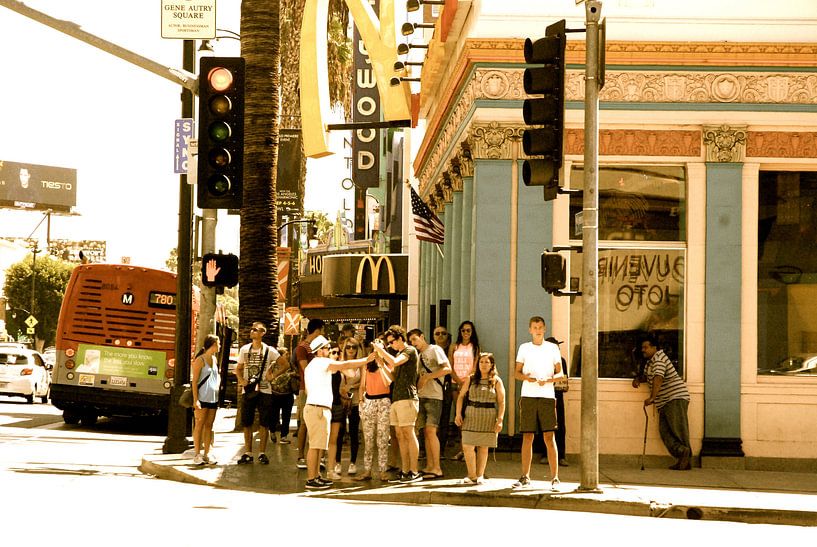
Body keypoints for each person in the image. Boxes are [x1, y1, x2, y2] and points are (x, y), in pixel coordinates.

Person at [303, 335, 372, 490]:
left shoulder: (313, 365)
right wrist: (367, 359)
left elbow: (348, 372)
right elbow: (346, 365)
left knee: (318, 445)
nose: (329, 350)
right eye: (327, 348)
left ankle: (316, 477)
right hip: (318, 408)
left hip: (317, 407)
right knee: (315, 446)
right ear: (319, 351)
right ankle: (311, 478)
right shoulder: (322, 362)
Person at [513, 316, 563, 490]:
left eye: (540, 327)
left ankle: (554, 478)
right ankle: (525, 476)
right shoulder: (524, 348)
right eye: (535, 327)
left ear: (545, 328)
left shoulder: (552, 348)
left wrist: (548, 380)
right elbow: (516, 373)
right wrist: (529, 378)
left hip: (547, 396)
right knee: (528, 436)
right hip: (528, 395)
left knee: (549, 436)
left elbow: (560, 373)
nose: (538, 330)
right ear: (530, 329)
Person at [371, 325, 423, 483]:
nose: (391, 345)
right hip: (397, 398)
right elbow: (393, 377)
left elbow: (394, 361)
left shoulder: (409, 351)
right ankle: (405, 470)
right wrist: (380, 363)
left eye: (392, 342)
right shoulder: (400, 353)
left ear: (401, 339)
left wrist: (380, 350)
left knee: (408, 432)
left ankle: (414, 471)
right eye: (389, 343)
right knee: (400, 435)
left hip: (407, 397)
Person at [632, 334, 692, 470]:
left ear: (654, 347)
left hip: (674, 398)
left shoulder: (658, 359)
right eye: (642, 348)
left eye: (646, 347)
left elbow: (658, 377)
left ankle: (685, 457)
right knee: (665, 431)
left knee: (677, 430)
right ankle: (682, 453)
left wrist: (652, 397)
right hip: (666, 401)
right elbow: (649, 376)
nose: (643, 350)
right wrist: (638, 380)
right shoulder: (651, 361)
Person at [235, 322, 289, 465]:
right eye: (252, 329)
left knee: (264, 422)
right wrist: (242, 380)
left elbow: (285, 364)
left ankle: (262, 453)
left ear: (262, 333)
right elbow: (238, 368)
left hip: (265, 390)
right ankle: (248, 452)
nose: (252, 331)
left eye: (256, 330)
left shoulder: (269, 350)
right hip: (249, 389)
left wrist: (273, 376)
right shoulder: (244, 349)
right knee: (247, 422)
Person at [455, 352, 505, 484]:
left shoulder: (496, 381)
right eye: (481, 362)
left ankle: (480, 475)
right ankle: (471, 475)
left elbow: (501, 402)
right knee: (467, 445)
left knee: (483, 447)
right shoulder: (471, 379)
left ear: (492, 364)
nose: (484, 365)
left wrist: (500, 420)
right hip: (471, 415)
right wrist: (458, 414)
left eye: (487, 362)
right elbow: (460, 397)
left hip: (488, 416)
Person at [407, 328, 451, 479]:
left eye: (415, 339)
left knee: (431, 431)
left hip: (434, 395)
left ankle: (437, 467)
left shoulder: (435, 349)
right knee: (425, 432)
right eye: (411, 341)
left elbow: (447, 369)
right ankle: (430, 465)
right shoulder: (418, 355)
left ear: (422, 336)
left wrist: (428, 377)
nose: (413, 343)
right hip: (422, 395)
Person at [354, 335, 394, 481]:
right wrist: (360, 402)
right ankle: (367, 470)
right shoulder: (367, 365)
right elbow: (362, 385)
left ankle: (383, 470)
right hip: (369, 401)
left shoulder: (389, 364)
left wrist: (381, 363)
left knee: (383, 438)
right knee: (368, 438)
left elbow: (389, 381)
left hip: (384, 401)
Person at [295, 319, 325, 469]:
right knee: (304, 424)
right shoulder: (302, 347)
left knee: (320, 423)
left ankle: (318, 457)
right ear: (318, 330)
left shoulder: (318, 347)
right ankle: (301, 455)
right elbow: (305, 369)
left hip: (319, 388)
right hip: (306, 388)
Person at [448, 321, 480, 460]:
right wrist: (459, 381)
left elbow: (475, 366)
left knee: (471, 417)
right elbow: (450, 365)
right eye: (463, 330)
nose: (465, 333)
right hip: (456, 384)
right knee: (459, 416)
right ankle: (462, 449)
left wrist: (466, 382)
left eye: (468, 330)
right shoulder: (454, 346)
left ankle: (472, 448)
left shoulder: (475, 347)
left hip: (470, 385)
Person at [335, 337, 363, 476]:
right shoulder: (339, 363)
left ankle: (353, 462)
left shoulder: (360, 364)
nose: (351, 350)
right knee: (338, 432)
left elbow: (364, 382)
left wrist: (351, 386)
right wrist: (341, 391)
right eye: (348, 347)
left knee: (353, 432)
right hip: (340, 400)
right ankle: (337, 462)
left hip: (355, 400)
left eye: (354, 347)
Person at [192, 334, 221, 466]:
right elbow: (195, 381)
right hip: (202, 397)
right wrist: (195, 399)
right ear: (212, 345)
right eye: (218, 343)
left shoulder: (214, 359)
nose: (219, 346)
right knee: (199, 424)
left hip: (213, 397)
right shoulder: (200, 360)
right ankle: (197, 454)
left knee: (209, 425)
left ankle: (207, 453)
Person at [541, 337, 569, 467]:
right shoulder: (540, 360)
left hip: (557, 397)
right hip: (543, 396)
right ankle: (544, 454)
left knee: (560, 425)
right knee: (544, 425)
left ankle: (561, 456)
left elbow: (564, 382)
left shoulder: (561, 361)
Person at [432, 326, 455, 458]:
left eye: (443, 333)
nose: (440, 335)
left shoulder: (451, 350)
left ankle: (441, 449)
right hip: (432, 388)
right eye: (437, 333)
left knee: (444, 418)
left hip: (448, 387)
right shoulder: (430, 350)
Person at [269, 347, 294, 444]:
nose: (287, 356)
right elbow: (269, 376)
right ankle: (272, 431)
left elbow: (296, 373)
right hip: (275, 394)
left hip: (287, 394)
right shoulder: (273, 365)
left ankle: (284, 436)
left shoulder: (290, 365)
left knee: (286, 416)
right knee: (273, 415)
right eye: (286, 354)